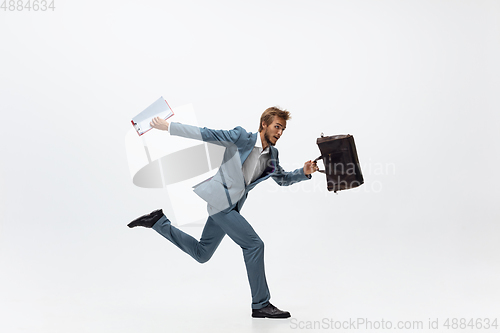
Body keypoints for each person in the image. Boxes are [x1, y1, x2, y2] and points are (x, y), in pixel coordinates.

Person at [128, 107, 319, 318]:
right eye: (277, 126)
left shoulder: (272, 154)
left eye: (283, 129)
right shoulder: (241, 138)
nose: (280, 132)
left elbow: (283, 179)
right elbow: (206, 133)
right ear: (264, 124)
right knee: (254, 245)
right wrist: (168, 127)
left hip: (231, 207)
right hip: (220, 203)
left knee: (202, 253)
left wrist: (304, 172)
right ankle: (260, 304)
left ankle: (158, 222)